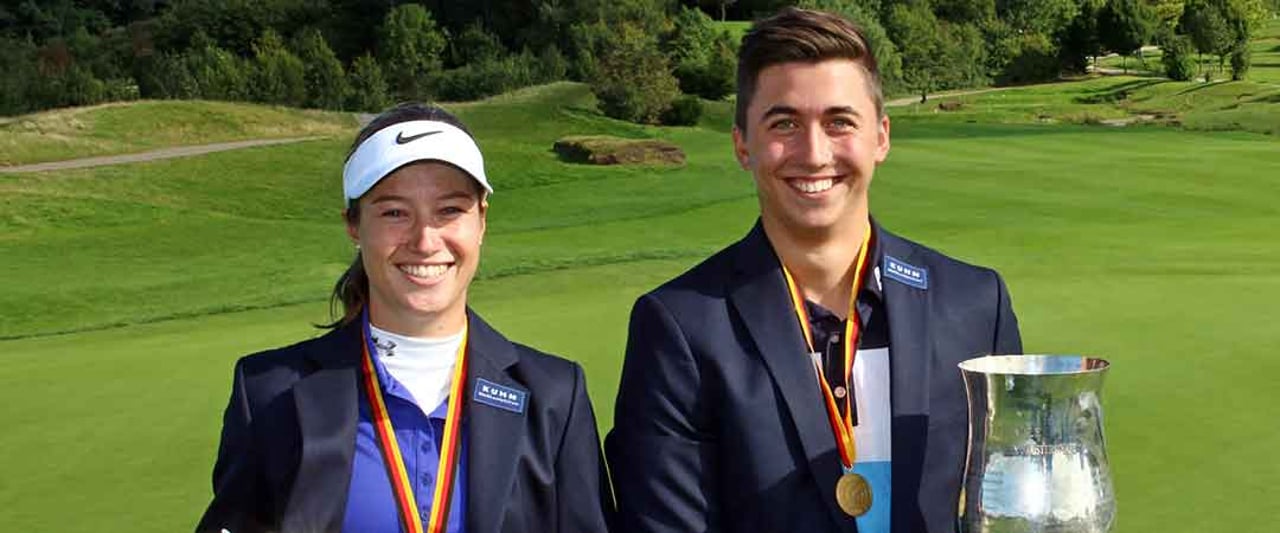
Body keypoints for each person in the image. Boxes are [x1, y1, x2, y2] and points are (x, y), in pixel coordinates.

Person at [606, 8, 1020, 533]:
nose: (814, 153)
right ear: (741, 144)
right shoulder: (679, 328)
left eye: (839, 122)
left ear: (882, 137)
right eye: (784, 124)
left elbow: (1013, 504)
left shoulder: (977, 304)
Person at [197, 103, 612, 533]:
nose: (425, 240)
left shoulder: (554, 397)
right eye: (394, 212)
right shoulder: (270, 393)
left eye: (450, 210)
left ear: (482, 221)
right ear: (354, 225)